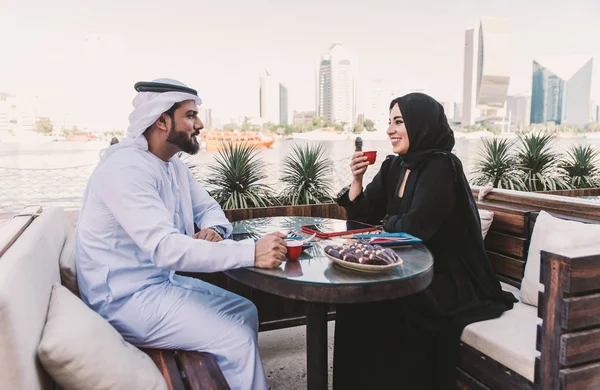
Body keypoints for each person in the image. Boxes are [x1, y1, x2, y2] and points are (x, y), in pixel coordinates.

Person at [76, 78, 287, 390]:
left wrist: (214, 229)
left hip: (158, 284)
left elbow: (210, 208)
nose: (199, 123)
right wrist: (251, 252)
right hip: (122, 300)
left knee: (246, 310)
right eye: (190, 115)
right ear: (162, 120)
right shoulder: (125, 170)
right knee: (235, 335)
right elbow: (165, 249)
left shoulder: (172, 166)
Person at [333, 93, 516, 389]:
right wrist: (357, 181)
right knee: (354, 300)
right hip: (407, 267)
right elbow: (361, 219)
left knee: (383, 308)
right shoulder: (394, 166)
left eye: (399, 121)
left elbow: (416, 229)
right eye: (389, 122)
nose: (390, 129)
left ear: (421, 124)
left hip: (444, 276)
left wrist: (385, 225)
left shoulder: (442, 166)